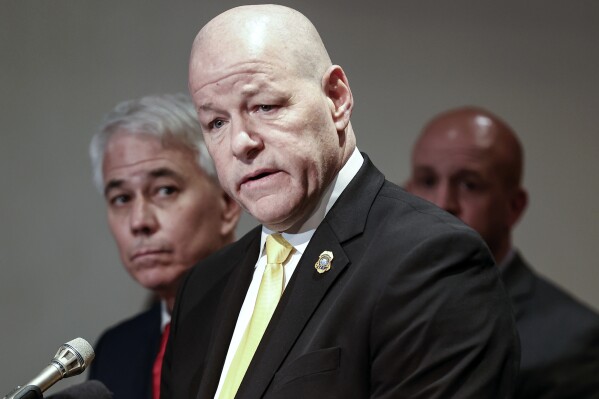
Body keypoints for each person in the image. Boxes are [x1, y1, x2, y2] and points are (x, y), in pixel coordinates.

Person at [161, 6, 519, 399]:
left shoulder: (432, 260)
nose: (240, 143)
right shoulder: (203, 285)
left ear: (337, 98)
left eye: (265, 106)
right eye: (216, 122)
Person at [406, 106, 599, 398]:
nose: (443, 203)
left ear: (514, 206)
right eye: (427, 181)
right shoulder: (376, 305)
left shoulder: (574, 339)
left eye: (470, 184)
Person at [87, 93, 241, 399]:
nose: (139, 221)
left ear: (227, 203)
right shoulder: (115, 351)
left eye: (165, 190)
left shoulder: (280, 316)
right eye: (121, 198)